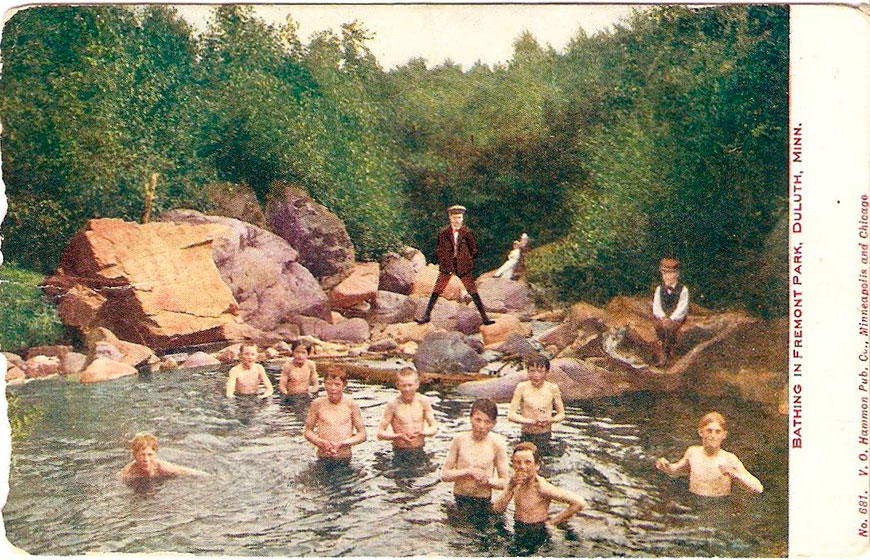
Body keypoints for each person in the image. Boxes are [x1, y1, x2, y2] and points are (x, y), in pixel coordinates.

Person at [416, 204, 495, 326]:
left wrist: (466, 260)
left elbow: (473, 249)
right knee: (437, 289)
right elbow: (439, 249)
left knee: (472, 290)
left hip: (463, 266)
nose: (457, 220)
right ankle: (426, 315)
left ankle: (484, 317)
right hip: (447, 266)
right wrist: (444, 260)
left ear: (462, 218)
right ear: (450, 218)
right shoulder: (444, 233)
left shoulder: (467, 232)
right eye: (454, 217)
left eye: (459, 217)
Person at [493, 442, 586, 544]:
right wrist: (510, 486)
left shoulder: (541, 487)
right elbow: (496, 509)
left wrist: (552, 523)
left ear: (537, 465)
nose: (522, 466)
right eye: (518, 462)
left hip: (537, 531)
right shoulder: (514, 482)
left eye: (528, 462)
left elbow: (579, 502)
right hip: (518, 526)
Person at [654, 411, 764, 497]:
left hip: (718, 506)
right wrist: (666, 466)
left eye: (717, 432)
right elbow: (676, 470)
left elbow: (758, 488)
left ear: (724, 435)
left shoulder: (729, 459)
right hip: (694, 502)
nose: (713, 436)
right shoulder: (693, 452)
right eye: (709, 431)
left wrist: (735, 475)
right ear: (701, 432)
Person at [441, 398, 510, 514]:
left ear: (494, 424)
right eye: (478, 420)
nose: (481, 426)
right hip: (459, 498)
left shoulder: (497, 445)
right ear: (470, 418)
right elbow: (444, 475)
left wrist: (488, 481)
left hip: (482, 501)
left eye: (487, 422)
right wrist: (468, 472)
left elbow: (505, 483)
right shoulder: (459, 440)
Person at [303, 367, 366, 463]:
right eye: (329, 384)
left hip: (344, 458)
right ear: (324, 384)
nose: (333, 388)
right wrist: (320, 442)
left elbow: (362, 434)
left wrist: (344, 443)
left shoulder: (351, 405)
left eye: (337, 384)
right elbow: (307, 431)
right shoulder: (317, 404)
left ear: (344, 385)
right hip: (323, 456)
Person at [507, 354, 565, 452]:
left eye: (540, 371)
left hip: (545, 435)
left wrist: (550, 420)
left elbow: (561, 414)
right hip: (527, 435)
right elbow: (511, 415)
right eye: (532, 371)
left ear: (546, 372)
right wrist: (531, 421)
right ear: (528, 372)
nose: (536, 375)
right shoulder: (521, 387)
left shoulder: (552, 388)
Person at [377, 368, 438, 453]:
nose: (407, 389)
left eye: (410, 385)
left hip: (420, 449)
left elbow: (434, 427)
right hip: (400, 450)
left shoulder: (423, 402)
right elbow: (380, 434)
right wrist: (398, 436)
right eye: (403, 385)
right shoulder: (393, 405)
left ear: (417, 385)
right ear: (398, 385)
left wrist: (424, 433)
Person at [652, 257, 690, 367]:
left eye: (670, 274)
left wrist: (672, 318)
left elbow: (682, 308)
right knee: (659, 327)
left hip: (677, 318)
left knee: (670, 329)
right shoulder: (659, 289)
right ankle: (660, 353)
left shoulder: (683, 289)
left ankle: (667, 355)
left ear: (676, 274)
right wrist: (663, 317)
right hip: (663, 318)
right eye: (664, 274)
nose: (666, 277)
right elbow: (657, 306)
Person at [119, 433, 209, 479]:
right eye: (142, 455)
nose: (146, 459)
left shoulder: (162, 468)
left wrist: (208, 477)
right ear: (135, 456)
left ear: (155, 454)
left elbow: (185, 471)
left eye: (150, 455)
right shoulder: (129, 471)